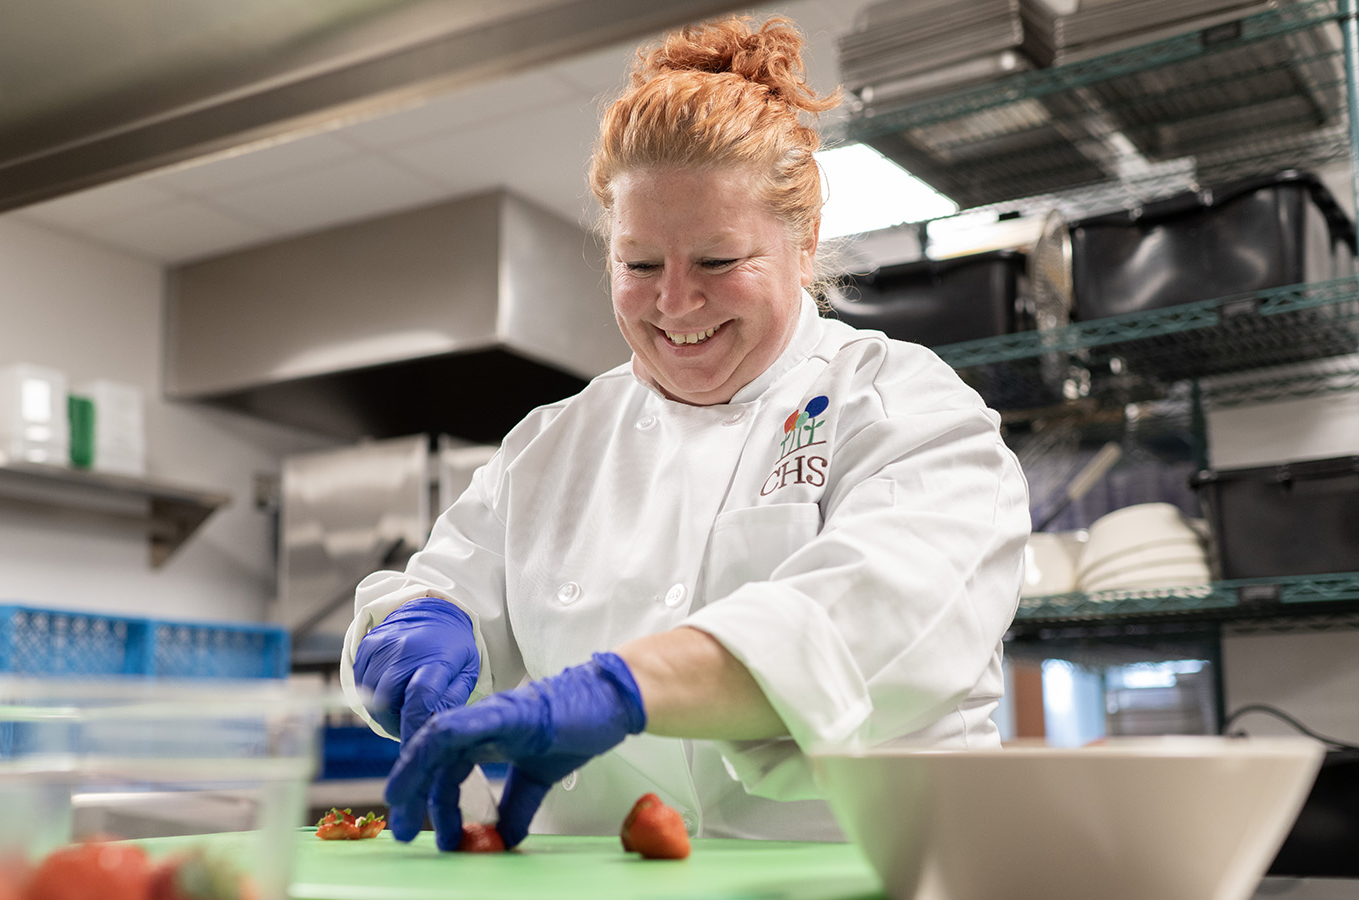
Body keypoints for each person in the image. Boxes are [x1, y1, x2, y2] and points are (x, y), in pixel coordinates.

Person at [340, 15, 1028, 850]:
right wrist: (414, 633)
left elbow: (874, 617)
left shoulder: (907, 407)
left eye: (716, 262)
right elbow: (447, 598)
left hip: (863, 876)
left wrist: (624, 689)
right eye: (638, 265)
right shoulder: (547, 448)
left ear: (804, 245)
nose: (674, 303)